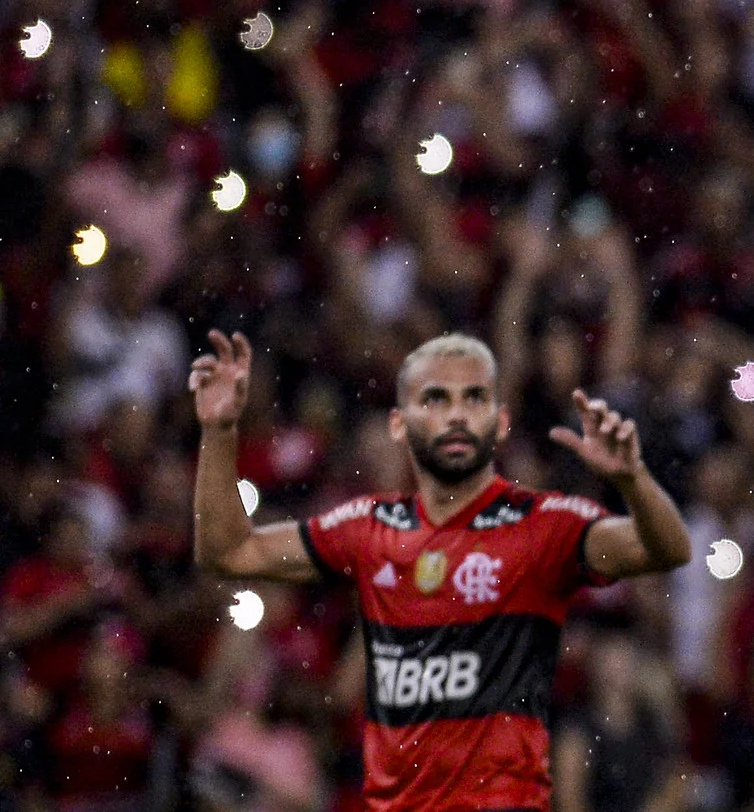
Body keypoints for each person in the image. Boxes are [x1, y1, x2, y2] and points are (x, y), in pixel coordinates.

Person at [186, 330, 692, 812]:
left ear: (501, 421)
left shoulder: (545, 526)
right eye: (436, 399)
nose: (457, 415)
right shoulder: (368, 527)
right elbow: (227, 553)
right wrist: (219, 431)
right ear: (399, 424)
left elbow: (666, 549)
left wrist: (634, 479)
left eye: (475, 398)